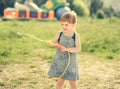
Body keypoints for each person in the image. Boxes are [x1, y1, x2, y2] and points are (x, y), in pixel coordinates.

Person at [48, 11, 81, 89]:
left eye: (66, 24)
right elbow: (52, 42)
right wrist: (51, 43)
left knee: (72, 83)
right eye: (62, 24)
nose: (63, 26)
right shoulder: (59, 34)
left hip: (70, 63)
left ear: (73, 24)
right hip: (60, 61)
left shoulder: (75, 36)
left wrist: (67, 49)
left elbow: (78, 49)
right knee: (60, 81)